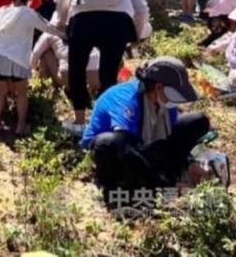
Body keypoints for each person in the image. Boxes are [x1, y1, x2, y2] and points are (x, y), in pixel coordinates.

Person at [82, 57, 211, 207]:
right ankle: (142, 186)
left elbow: (167, 134)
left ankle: (168, 174)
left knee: (197, 121)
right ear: (158, 87)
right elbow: (126, 149)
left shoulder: (164, 102)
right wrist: (162, 183)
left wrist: (188, 162)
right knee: (109, 142)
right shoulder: (128, 100)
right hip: (116, 152)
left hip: (143, 146)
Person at [55, 0, 150, 135]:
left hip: (83, 20)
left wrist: (63, 25)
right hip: (117, 24)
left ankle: (80, 121)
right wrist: (136, 37)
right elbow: (142, 10)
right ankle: (105, 123)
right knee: (108, 75)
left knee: (77, 71)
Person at [0, 0, 64, 135]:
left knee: (0, 92)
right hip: (18, 59)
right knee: (21, 93)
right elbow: (49, 28)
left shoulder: (0, 13)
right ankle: (21, 126)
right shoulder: (29, 14)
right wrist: (66, 34)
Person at [33, 31, 100, 94]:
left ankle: (45, 84)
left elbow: (35, 54)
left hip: (70, 81)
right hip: (97, 77)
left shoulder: (49, 33)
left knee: (46, 53)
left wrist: (33, 68)